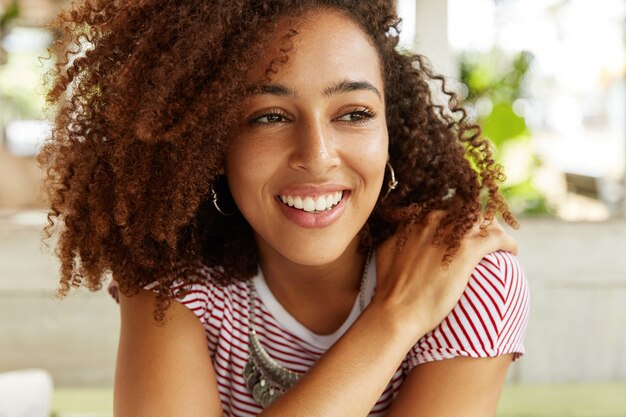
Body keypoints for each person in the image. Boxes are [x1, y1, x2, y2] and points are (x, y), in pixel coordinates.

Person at [39, 0, 529, 416]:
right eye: (268, 117)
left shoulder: (463, 278)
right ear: (210, 144)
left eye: (354, 114)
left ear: (391, 134)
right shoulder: (171, 286)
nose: (317, 156)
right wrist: (394, 319)